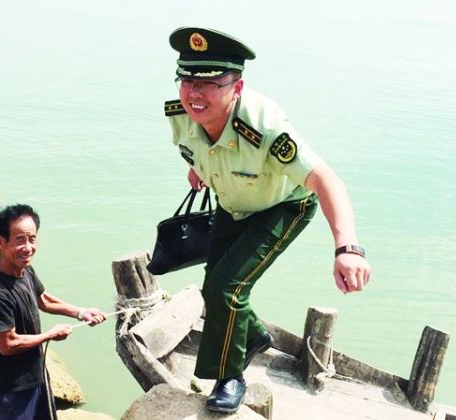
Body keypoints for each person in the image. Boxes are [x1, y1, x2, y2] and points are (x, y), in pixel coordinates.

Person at [164, 27, 372, 413]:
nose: (195, 93)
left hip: (283, 206)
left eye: (210, 83)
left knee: (227, 286)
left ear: (236, 87)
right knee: (216, 285)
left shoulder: (265, 127)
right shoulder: (179, 113)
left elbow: (326, 179)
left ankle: (230, 377)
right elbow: (193, 150)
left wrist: (348, 248)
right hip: (233, 203)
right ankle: (255, 335)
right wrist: (200, 170)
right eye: (188, 80)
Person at [0, 204, 107, 420]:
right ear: (0, 241)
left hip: (35, 379)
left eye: (32, 239)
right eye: (19, 240)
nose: (28, 247)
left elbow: (43, 300)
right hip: (7, 391)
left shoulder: (24, 271)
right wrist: (50, 335)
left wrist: (81, 313)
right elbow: (8, 345)